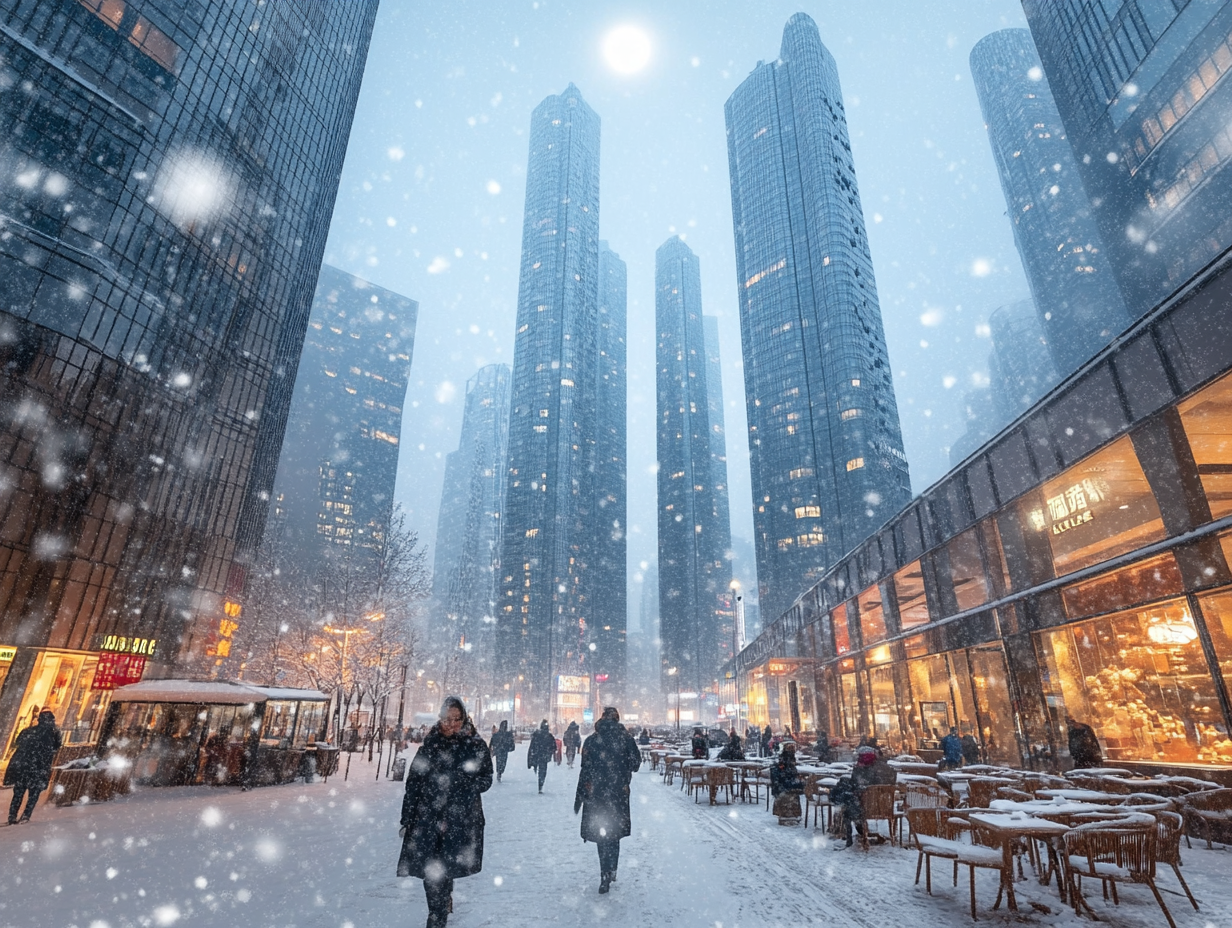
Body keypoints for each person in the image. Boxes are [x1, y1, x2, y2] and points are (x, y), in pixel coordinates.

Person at [396, 696, 493, 928]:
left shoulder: (474, 744)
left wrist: (467, 785)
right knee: (431, 870)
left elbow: (486, 777)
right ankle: (436, 913)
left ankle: (440, 907)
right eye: (447, 719)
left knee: (446, 866)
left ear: (464, 718)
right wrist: (407, 817)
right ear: (440, 719)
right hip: (428, 817)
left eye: (456, 719)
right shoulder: (431, 744)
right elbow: (414, 781)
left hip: (461, 818)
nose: (451, 724)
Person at [573, 706, 642, 894]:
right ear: (617, 719)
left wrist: (582, 794)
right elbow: (636, 763)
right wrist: (623, 768)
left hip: (596, 794)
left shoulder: (592, 740)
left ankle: (604, 873)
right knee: (614, 833)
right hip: (618, 793)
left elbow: (585, 768)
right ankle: (612, 869)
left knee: (602, 834)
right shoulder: (625, 739)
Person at [5, 710, 61, 824]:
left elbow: (17, 743)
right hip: (39, 767)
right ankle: (26, 815)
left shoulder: (28, 731)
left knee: (18, 792)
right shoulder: (53, 735)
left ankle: (12, 816)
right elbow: (56, 747)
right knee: (34, 793)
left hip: (23, 766)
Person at [769, 742, 805, 825]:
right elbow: (784, 776)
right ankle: (789, 815)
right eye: (791, 747)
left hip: (783, 785)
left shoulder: (787, 760)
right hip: (783, 786)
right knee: (791, 791)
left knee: (794, 790)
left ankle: (791, 814)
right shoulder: (785, 761)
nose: (793, 749)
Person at [527, 720, 556, 793]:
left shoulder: (537, 735)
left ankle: (536, 770)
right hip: (544, 756)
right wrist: (550, 752)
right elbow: (554, 747)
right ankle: (541, 784)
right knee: (543, 771)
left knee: (540, 768)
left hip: (537, 755)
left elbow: (532, 746)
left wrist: (530, 756)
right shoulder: (549, 736)